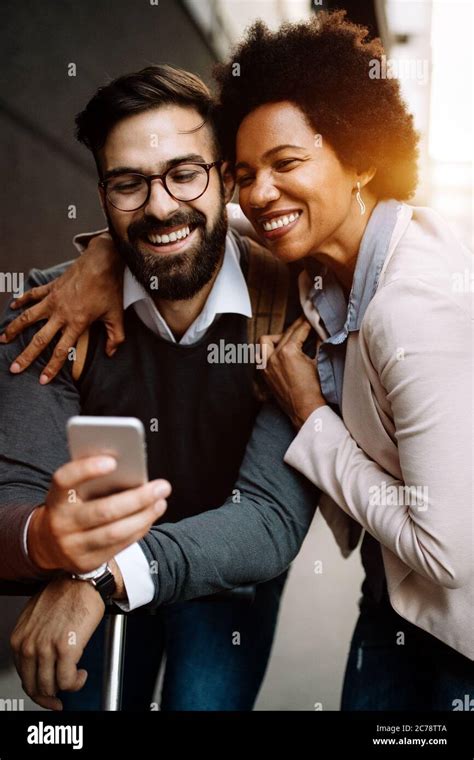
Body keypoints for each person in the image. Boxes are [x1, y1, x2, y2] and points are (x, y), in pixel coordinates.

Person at [7, 12, 472, 711]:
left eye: (286, 164)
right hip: (392, 602)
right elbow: (195, 223)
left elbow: (434, 552)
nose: (259, 192)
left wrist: (310, 411)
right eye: (246, 172)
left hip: (443, 613)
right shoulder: (312, 265)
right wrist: (108, 250)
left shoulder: (354, 301)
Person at [0, 65, 318, 711]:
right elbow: (13, 493)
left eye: (184, 173)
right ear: (102, 192)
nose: (161, 206)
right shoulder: (48, 308)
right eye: (128, 184)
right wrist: (46, 539)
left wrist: (96, 577)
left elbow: (268, 520)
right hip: (87, 567)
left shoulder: (298, 306)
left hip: (227, 577)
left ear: (227, 179)